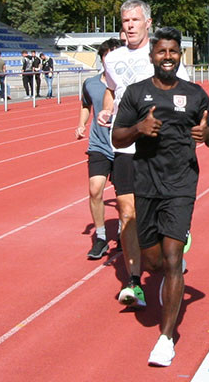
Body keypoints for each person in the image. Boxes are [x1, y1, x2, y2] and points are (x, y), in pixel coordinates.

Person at [112, 27, 209, 367]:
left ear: (180, 55)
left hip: (180, 185)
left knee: (172, 259)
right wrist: (138, 130)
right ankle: (174, 262)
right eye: (162, 52)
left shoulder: (195, 94)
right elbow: (117, 137)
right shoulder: (135, 93)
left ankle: (166, 338)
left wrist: (208, 134)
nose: (168, 57)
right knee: (153, 262)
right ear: (152, 56)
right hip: (145, 184)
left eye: (174, 51)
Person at [97, 0, 190, 309]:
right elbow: (111, 90)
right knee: (127, 213)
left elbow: (186, 94)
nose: (130, 25)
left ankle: (173, 250)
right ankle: (134, 281)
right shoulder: (113, 59)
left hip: (160, 146)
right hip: (124, 144)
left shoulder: (163, 55)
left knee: (159, 211)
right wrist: (108, 110)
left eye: (136, 20)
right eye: (125, 20)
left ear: (148, 23)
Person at [76, 38, 124, 259]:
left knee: (124, 196)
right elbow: (87, 106)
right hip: (98, 145)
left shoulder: (127, 83)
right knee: (95, 190)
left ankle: (124, 232)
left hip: (124, 145)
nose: (110, 59)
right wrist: (81, 124)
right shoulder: (91, 83)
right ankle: (102, 237)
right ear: (102, 58)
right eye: (107, 56)